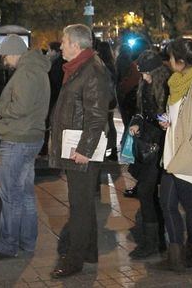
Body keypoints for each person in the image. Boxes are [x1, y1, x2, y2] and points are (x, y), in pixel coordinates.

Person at [0, 35, 50, 261]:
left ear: (15, 52)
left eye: (7, 56)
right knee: (25, 193)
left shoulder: (27, 72)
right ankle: (28, 241)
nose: (6, 61)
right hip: (29, 136)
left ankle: (8, 244)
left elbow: (20, 108)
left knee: (10, 194)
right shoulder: (35, 69)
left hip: (18, 138)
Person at [48, 24, 111, 278]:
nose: (60, 45)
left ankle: (74, 260)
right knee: (83, 203)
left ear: (76, 44)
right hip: (75, 145)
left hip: (81, 149)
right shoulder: (80, 68)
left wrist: (84, 149)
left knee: (79, 205)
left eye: (64, 41)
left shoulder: (91, 70)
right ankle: (89, 252)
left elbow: (96, 116)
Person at [151, 39, 192, 272]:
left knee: (191, 208)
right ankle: (175, 257)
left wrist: (188, 152)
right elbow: (179, 118)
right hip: (171, 156)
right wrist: (167, 122)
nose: (168, 62)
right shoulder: (176, 83)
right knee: (167, 204)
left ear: (181, 61)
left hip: (190, 159)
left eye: (170, 58)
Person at [125, 50, 169, 259]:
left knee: (146, 191)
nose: (143, 78)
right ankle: (157, 239)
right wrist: (135, 123)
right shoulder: (144, 85)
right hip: (146, 145)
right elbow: (140, 111)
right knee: (147, 192)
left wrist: (163, 122)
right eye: (142, 74)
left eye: (147, 74)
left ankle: (153, 242)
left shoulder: (167, 86)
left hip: (160, 145)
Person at [96, 41, 119, 160]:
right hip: (111, 99)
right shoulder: (112, 63)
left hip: (104, 98)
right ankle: (113, 149)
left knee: (104, 125)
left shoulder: (101, 65)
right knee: (110, 123)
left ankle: (103, 150)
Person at [43, 41, 64, 155]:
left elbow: (55, 84)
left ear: (55, 52)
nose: (47, 53)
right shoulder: (56, 63)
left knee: (52, 125)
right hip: (55, 99)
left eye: (49, 50)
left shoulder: (56, 65)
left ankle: (52, 150)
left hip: (54, 99)